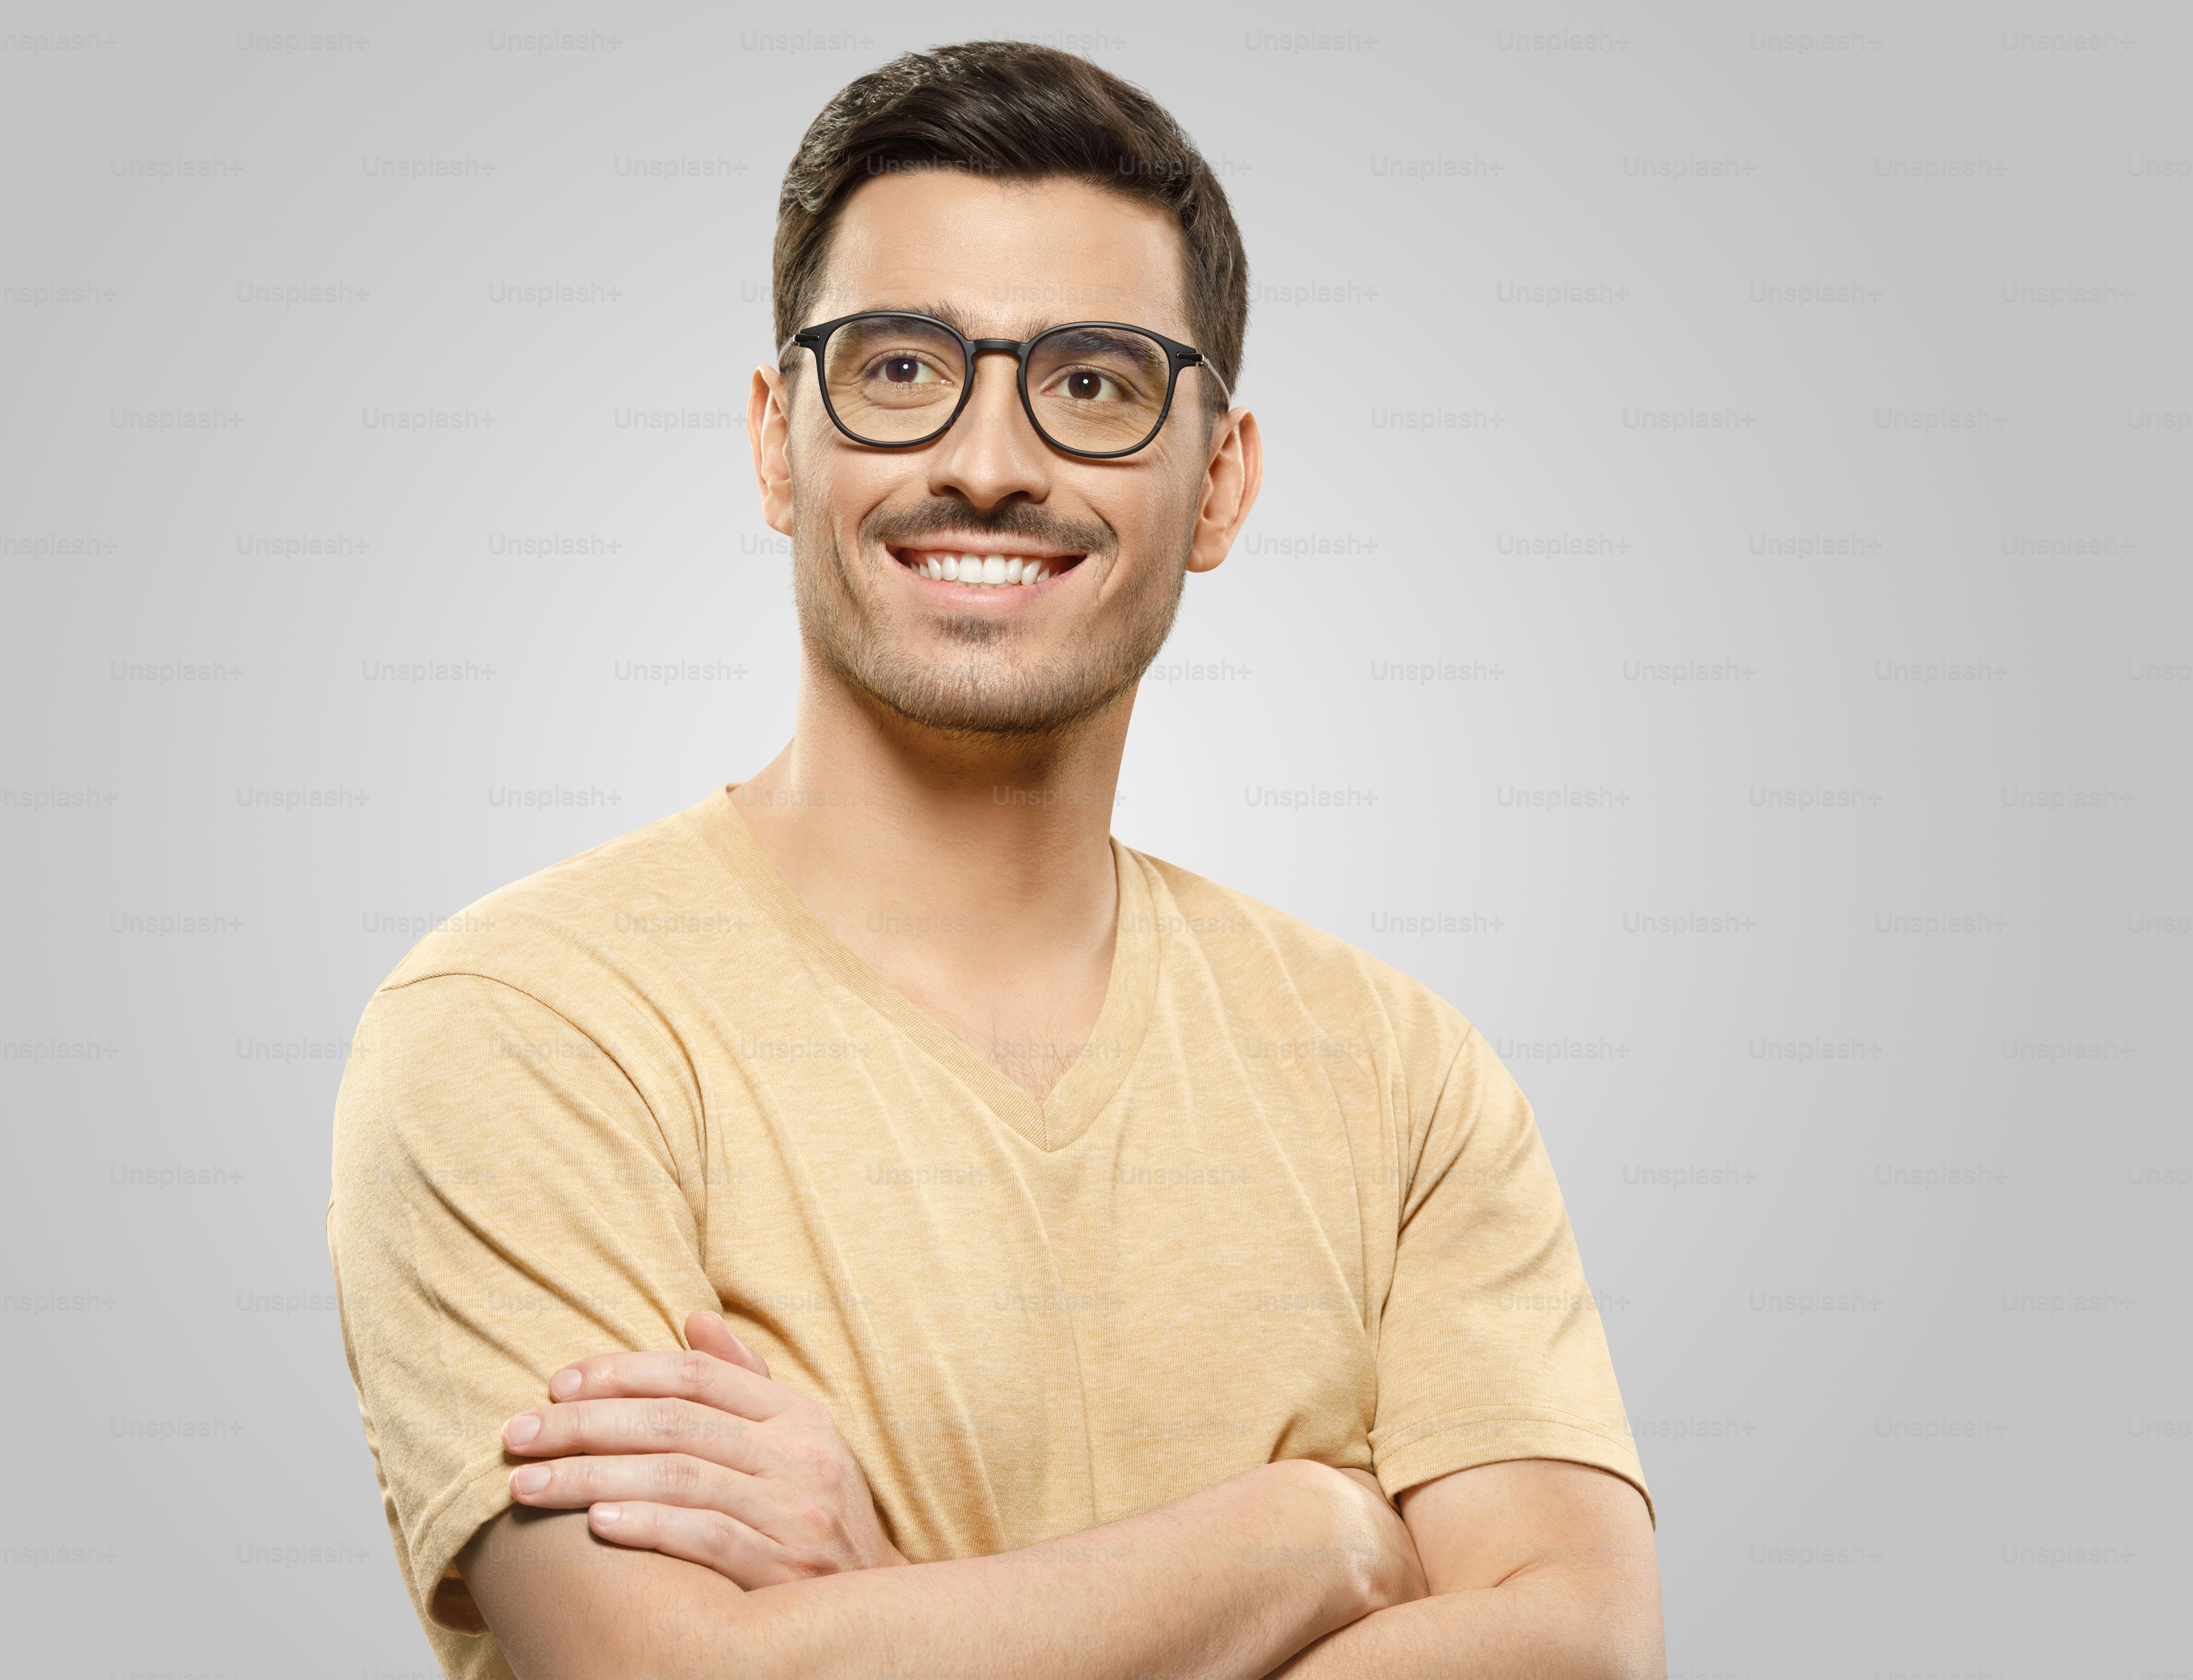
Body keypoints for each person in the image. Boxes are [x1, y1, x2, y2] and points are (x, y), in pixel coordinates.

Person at [329, 39, 1663, 1680]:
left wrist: (884, 1596)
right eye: (901, 368)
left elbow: (1581, 1640)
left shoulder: (1403, 1080)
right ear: (774, 438)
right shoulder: (531, 1026)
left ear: (1220, 482)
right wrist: (1313, 1533)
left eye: (1094, 381)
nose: (987, 459)